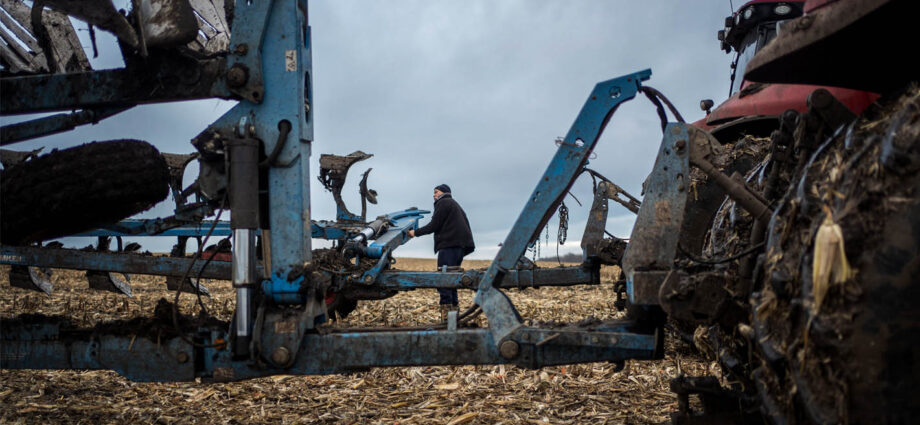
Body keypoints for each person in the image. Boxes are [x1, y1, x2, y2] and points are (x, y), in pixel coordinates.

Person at [408, 184, 475, 318]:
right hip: (459, 247)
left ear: (444, 192)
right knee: (452, 279)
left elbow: (434, 225)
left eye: (436, 192)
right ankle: (454, 314)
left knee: (444, 279)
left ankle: (447, 314)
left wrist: (415, 232)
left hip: (449, 246)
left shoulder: (443, 203)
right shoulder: (454, 204)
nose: (434, 195)